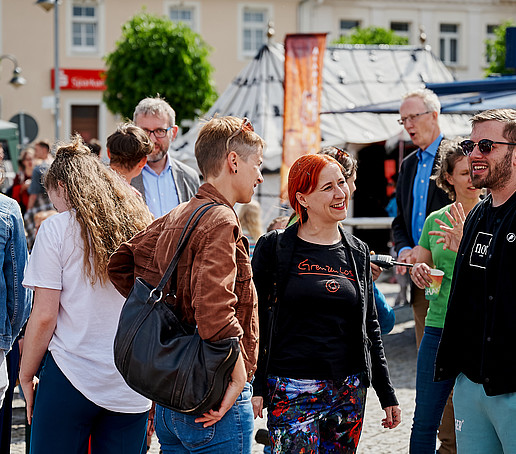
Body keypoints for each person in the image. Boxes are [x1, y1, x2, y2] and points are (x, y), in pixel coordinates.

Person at [108, 116, 265, 453]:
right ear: (233, 161)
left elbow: (122, 265)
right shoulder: (221, 218)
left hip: (170, 396)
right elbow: (214, 309)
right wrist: (238, 373)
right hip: (213, 393)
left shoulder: (180, 212)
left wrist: (171, 328)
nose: (260, 175)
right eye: (257, 164)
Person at [252, 153, 401, 453]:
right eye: (328, 187)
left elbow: (370, 326)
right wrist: (257, 386)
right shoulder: (275, 248)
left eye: (342, 183)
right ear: (302, 199)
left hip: (348, 392)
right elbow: (256, 319)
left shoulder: (357, 251)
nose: (340, 193)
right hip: (292, 389)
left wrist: (387, 394)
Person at [18, 136, 154, 453]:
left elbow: (44, 315)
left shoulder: (57, 229)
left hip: (70, 375)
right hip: (129, 381)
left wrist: (26, 375)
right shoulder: (140, 224)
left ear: (62, 187)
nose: (55, 207)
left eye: (53, 199)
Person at [434, 109, 516, 453]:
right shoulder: (478, 214)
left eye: (486, 145)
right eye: (471, 145)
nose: (474, 155)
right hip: (472, 384)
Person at [408, 138, 482, 454]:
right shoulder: (434, 220)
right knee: (425, 419)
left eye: (476, 170)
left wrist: (464, 245)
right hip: (438, 325)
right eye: (464, 172)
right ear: (449, 178)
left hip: (479, 329)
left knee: (476, 422)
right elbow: (424, 268)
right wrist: (420, 273)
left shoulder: (492, 215)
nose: (472, 178)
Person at [392, 89, 451, 347]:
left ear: (434, 115)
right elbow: (400, 219)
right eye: (403, 120)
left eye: (413, 117)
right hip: (421, 274)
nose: (408, 125)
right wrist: (405, 248)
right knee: (425, 344)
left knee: (448, 345)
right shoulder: (408, 164)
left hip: (448, 271)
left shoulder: (457, 157)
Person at [131, 96, 200, 217]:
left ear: (173, 133)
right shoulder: (121, 177)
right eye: (145, 131)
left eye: (159, 131)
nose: (152, 139)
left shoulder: (189, 177)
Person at [24, 140, 55, 250]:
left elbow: (33, 195)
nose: (35, 153)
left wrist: (28, 210)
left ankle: (32, 248)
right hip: (55, 205)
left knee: (27, 218)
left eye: (37, 150)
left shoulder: (39, 169)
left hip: (42, 206)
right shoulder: (55, 164)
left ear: (44, 150)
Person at [9, 147, 35, 215]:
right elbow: (13, 193)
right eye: (28, 159)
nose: (30, 162)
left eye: (32, 159)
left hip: (36, 206)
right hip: (23, 208)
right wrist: (22, 187)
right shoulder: (20, 176)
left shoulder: (38, 173)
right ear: (23, 161)